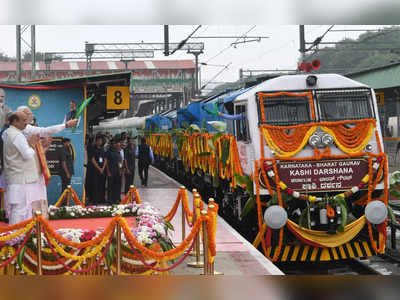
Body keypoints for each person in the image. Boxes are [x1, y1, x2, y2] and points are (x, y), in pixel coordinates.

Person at [16, 106, 78, 219]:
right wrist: (66, 125)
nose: (31, 116)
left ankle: (39, 221)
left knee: (38, 197)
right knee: (26, 202)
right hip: (23, 173)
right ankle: (28, 223)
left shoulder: (29, 129)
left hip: (35, 172)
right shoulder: (15, 132)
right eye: (29, 114)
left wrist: (65, 126)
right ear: (21, 116)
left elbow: (45, 131)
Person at [3, 112, 40, 225]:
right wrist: (32, 145)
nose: (26, 123)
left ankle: (18, 236)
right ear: (15, 122)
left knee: (19, 209)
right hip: (19, 179)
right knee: (19, 209)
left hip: (15, 178)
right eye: (23, 120)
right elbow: (27, 155)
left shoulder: (9, 132)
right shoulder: (17, 135)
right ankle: (16, 238)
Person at [89, 135, 107, 204]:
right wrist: (99, 168)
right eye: (98, 141)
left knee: (102, 184)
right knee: (95, 185)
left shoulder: (103, 149)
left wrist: (103, 168)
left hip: (103, 170)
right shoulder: (93, 149)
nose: (99, 142)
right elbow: (93, 160)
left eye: (101, 141)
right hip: (95, 170)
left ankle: (102, 199)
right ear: (96, 141)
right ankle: (95, 200)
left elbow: (105, 159)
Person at [106, 138, 123, 204]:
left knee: (117, 186)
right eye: (113, 143)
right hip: (111, 171)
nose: (115, 144)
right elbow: (106, 162)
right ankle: (110, 199)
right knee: (110, 186)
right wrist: (108, 171)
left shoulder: (118, 152)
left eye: (115, 143)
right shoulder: (108, 152)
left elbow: (120, 162)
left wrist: (121, 169)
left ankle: (116, 198)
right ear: (111, 144)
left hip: (117, 171)